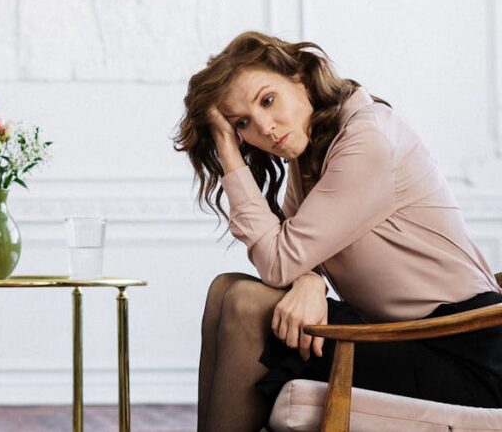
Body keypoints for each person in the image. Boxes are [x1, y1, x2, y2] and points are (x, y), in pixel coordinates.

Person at [173, 31, 502, 432]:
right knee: (226, 288)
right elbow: (298, 253)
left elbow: (279, 261)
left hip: (463, 351)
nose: (265, 128)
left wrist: (227, 151)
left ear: (299, 77)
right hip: (399, 335)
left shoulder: (367, 139)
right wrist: (310, 282)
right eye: (242, 123)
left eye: (267, 100)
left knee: (246, 302)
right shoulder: (312, 147)